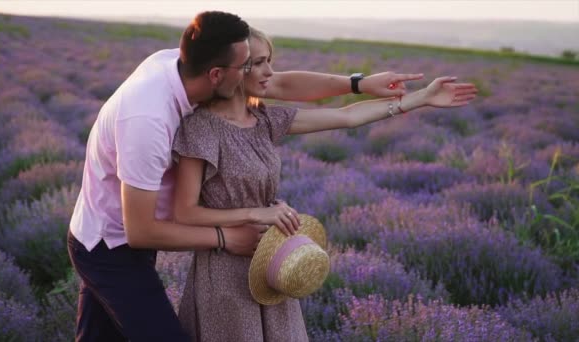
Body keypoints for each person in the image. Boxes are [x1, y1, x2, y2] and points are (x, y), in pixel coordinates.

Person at [67, 11, 427, 341]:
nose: (264, 74)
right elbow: (142, 229)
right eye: (249, 66)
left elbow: (284, 87)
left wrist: (361, 84)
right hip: (109, 244)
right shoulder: (149, 118)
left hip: (140, 237)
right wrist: (228, 235)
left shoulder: (195, 69)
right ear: (218, 75)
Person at [171, 27, 477, 341]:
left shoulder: (264, 120)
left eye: (269, 60)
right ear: (230, 70)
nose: (270, 71)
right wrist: (255, 213)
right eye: (259, 63)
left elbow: (346, 117)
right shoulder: (200, 129)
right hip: (225, 277)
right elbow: (185, 212)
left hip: (272, 266)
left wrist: (419, 99)